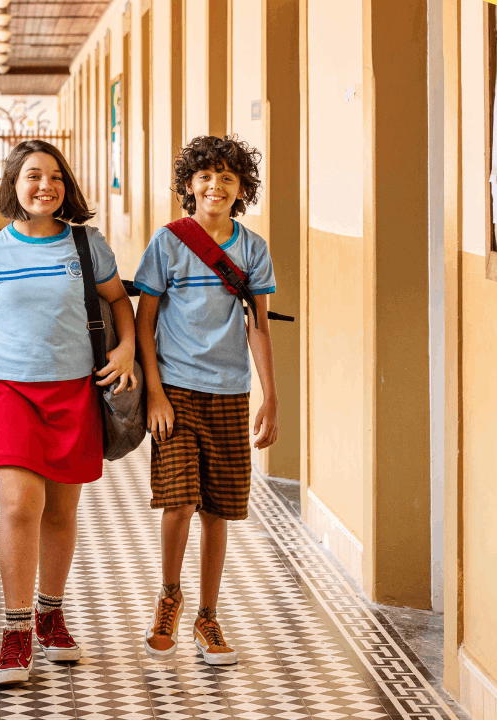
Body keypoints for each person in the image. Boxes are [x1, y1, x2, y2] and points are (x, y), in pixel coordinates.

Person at [0, 139, 137, 685]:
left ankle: (51, 613)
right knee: (20, 506)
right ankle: (17, 628)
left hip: (75, 391)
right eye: (31, 176)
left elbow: (119, 301)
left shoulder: (87, 246)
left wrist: (126, 349)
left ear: (65, 186)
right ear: (13, 186)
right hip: (9, 393)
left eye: (54, 177)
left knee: (60, 511)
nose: (44, 186)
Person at [133, 135, 278, 665]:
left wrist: (271, 397)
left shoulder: (252, 248)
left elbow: (259, 328)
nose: (214, 186)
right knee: (180, 502)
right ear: (188, 185)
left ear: (241, 190)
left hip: (230, 393)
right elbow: (144, 323)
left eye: (227, 178)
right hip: (174, 389)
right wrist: (154, 394)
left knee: (218, 510)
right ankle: (169, 596)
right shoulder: (168, 242)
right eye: (205, 176)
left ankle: (208, 616)